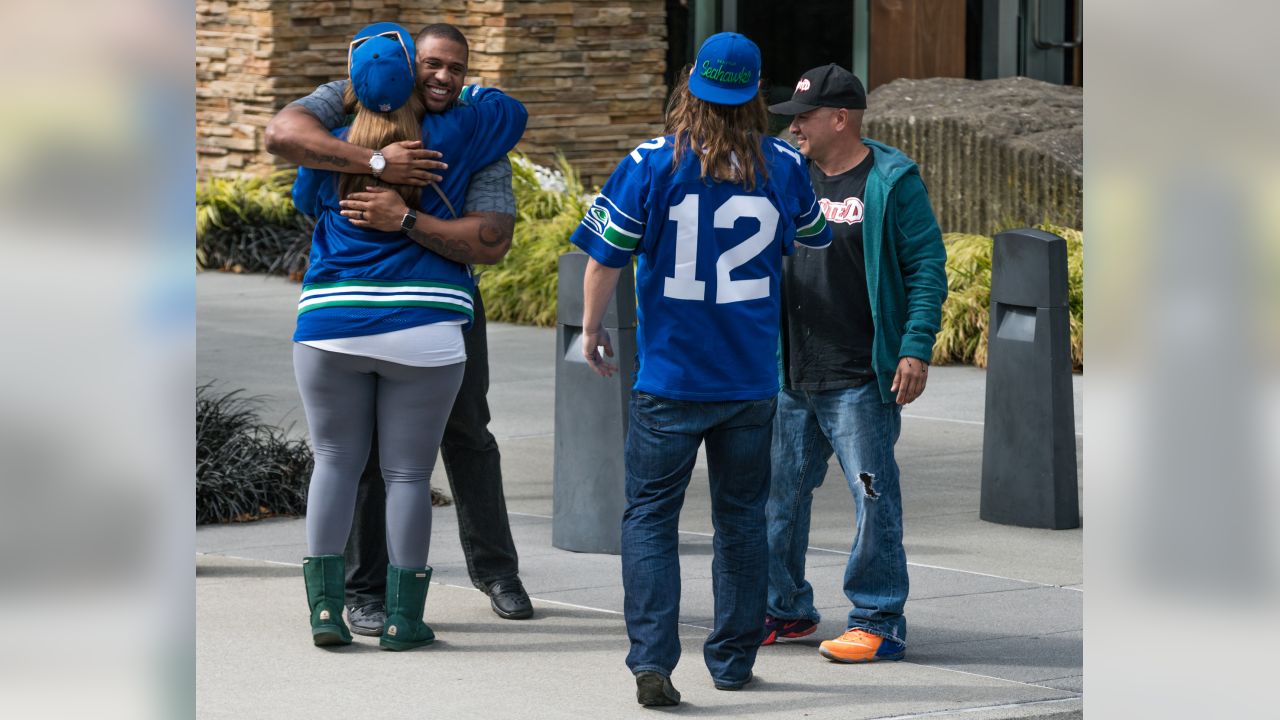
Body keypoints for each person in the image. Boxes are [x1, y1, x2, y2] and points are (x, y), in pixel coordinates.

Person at [572, 33, 832, 706]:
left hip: (669, 378)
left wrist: (592, 327)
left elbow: (606, 257)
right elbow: (811, 239)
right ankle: (734, 657)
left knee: (651, 518)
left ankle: (653, 660)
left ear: (690, 86)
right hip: (748, 380)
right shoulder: (784, 163)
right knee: (742, 520)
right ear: (754, 96)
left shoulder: (650, 162)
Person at [265, 22, 535, 633]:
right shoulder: (436, 123)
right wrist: (380, 158)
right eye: (432, 65)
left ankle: (495, 572)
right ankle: (369, 595)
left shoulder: (472, 136)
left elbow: (492, 242)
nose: (444, 78)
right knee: (377, 463)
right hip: (417, 314)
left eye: (457, 69)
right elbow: (285, 133)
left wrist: (405, 217)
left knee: (465, 436)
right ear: (407, 66)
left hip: (438, 303)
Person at [761, 64, 947, 663]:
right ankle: (785, 610)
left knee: (873, 495)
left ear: (840, 118)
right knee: (779, 497)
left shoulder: (891, 181)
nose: (794, 130)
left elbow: (926, 268)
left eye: (804, 118)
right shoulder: (789, 174)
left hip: (860, 377)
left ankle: (878, 620)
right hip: (793, 372)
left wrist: (915, 346)